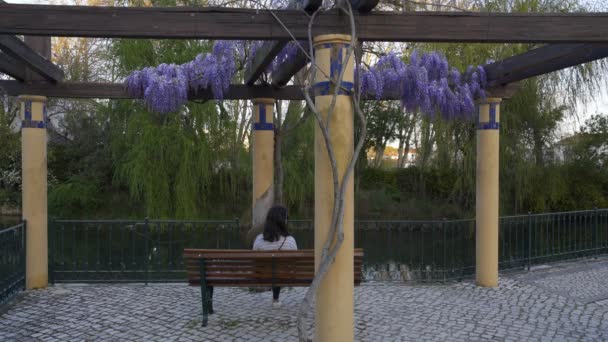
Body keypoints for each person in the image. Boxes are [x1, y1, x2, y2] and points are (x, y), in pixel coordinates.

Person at [253, 205, 297, 307]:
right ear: (283, 221)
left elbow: (255, 259)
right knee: (278, 271)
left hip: (263, 276)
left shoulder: (259, 240)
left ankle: (275, 298)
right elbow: (295, 262)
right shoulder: (290, 241)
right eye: (286, 218)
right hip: (285, 276)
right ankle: (275, 299)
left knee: (274, 270)